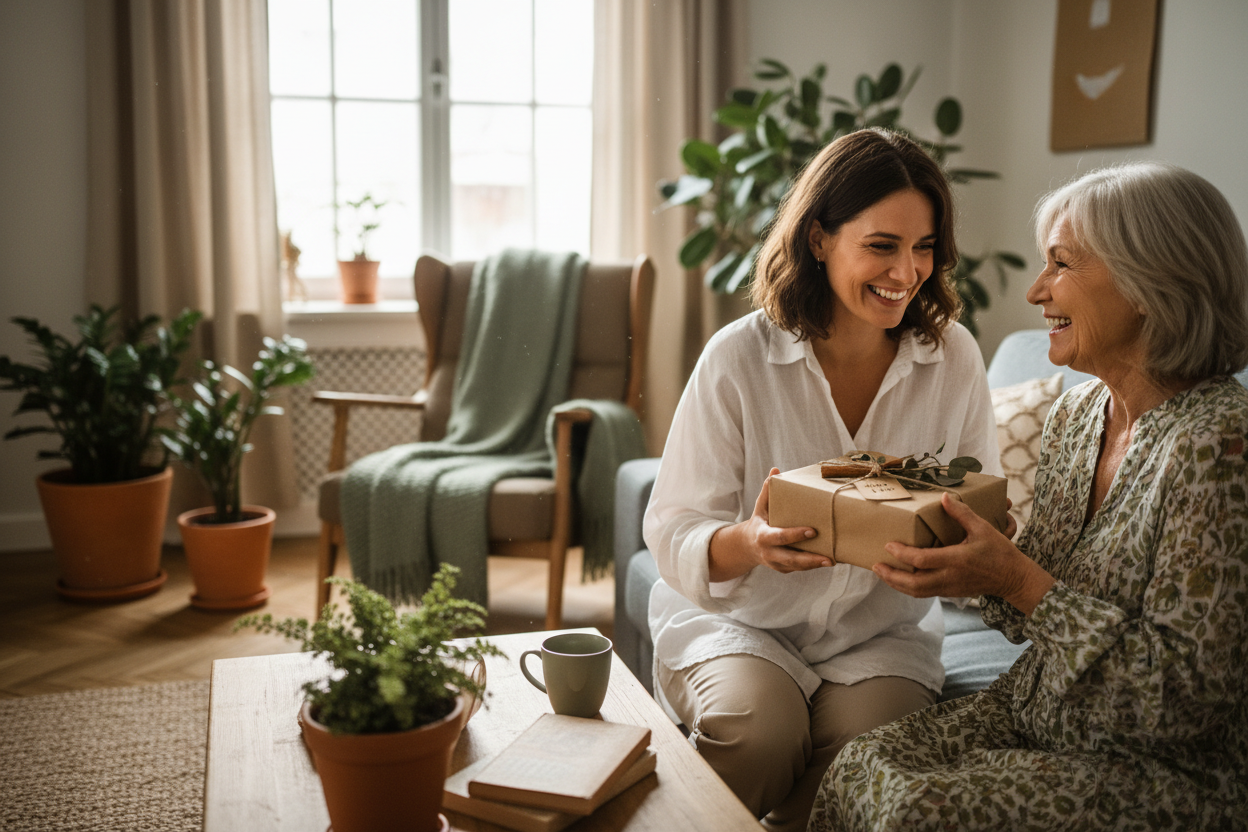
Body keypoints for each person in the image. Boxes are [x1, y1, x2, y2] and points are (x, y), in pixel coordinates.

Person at [810, 161, 1248, 831]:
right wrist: (970, 562)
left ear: (1149, 283)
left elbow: (1179, 704)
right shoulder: (1078, 414)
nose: (1036, 290)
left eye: (1061, 264)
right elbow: (1028, 609)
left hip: (1164, 766)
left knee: (916, 810)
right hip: (1041, 715)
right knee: (861, 763)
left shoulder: (1220, 445)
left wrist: (1015, 578)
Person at [644, 128, 1007, 832]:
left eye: (924, 247)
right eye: (882, 245)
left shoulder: (954, 357)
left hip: (881, 637)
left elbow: (975, 511)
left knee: (863, 758)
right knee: (758, 734)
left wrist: (965, 554)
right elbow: (673, 527)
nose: (907, 271)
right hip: (742, 623)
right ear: (818, 239)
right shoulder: (737, 358)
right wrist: (750, 543)